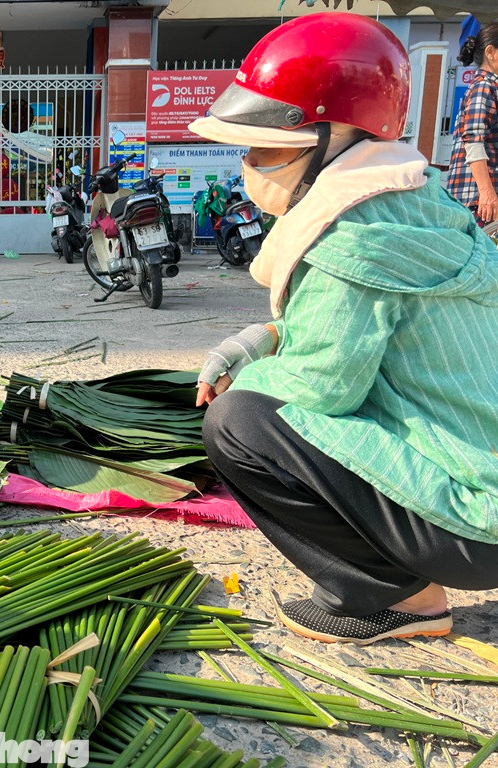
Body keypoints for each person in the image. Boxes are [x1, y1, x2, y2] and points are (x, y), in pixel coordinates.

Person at [189, 12, 498, 645]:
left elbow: (323, 387)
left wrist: (247, 376)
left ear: (337, 138)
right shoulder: (421, 202)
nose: (250, 163)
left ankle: (397, 598)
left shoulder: (355, 239)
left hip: (476, 521)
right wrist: (261, 340)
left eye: (266, 148)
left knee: (238, 424)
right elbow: (363, 332)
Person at [446, 21, 498, 228]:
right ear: (490, 52)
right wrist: (486, 192)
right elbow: (473, 140)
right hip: (479, 201)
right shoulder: (484, 86)